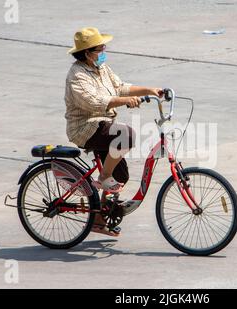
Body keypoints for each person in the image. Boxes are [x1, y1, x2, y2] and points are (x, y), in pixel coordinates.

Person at [65, 27, 163, 236]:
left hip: (102, 125)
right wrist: (124, 102)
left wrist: (150, 90)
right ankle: (104, 175)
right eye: (100, 48)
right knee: (126, 135)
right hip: (85, 127)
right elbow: (95, 102)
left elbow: (121, 87)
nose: (103, 51)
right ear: (87, 52)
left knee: (121, 176)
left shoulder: (101, 69)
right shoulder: (77, 75)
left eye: (103, 47)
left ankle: (98, 219)